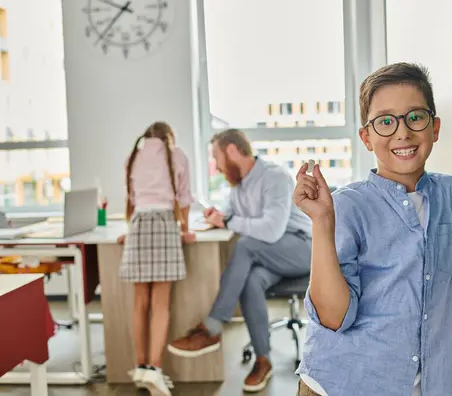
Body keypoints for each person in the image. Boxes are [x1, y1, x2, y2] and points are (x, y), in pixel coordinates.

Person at [292, 62, 452, 396]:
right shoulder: (346, 206)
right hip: (340, 383)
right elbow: (333, 316)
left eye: (415, 117)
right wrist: (323, 223)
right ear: (366, 138)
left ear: (435, 128)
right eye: (385, 121)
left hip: (423, 385)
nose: (402, 132)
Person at [167, 129, 312, 393]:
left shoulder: (274, 177)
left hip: (302, 248)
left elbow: (271, 230)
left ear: (232, 151)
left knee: (245, 246)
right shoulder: (239, 186)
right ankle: (263, 359)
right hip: (269, 255)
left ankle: (211, 328)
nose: (217, 165)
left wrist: (229, 221)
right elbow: (231, 214)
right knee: (251, 281)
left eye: (216, 157)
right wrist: (218, 215)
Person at [118, 121, 195, 396]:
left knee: (140, 304)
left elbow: (133, 198)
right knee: (160, 305)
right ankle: (154, 370)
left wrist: (128, 232)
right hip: (164, 224)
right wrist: (185, 229)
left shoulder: (133, 156)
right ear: (168, 137)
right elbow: (183, 198)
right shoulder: (177, 154)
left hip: (138, 225)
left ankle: (140, 368)